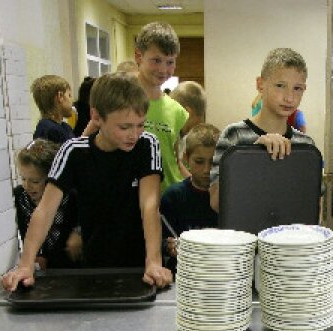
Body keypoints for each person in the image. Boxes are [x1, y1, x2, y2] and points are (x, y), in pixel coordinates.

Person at [1, 73, 172, 292]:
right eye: (125, 127)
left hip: (140, 263)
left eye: (140, 125)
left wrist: (154, 263)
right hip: (95, 263)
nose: (134, 134)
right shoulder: (74, 151)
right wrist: (25, 265)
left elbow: (149, 205)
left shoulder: (147, 145)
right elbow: (45, 210)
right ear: (97, 116)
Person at [209, 47, 315, 212]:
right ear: (260, 85)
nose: (289, 97)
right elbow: (216, 203)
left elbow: (314, 208)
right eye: (280, 85)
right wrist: (252, 155)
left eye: (297, 88)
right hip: (245, 235)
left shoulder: (306, 146)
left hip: (289, 236)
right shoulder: (234, 135)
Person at [133, 22, 188, 192]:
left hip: (167, 198)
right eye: (156, 60)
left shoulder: (178, 112)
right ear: (138, 57)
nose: (163, 69)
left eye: (170, 62)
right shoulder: (119, 101)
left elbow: (176, 162)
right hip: (129, 197)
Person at [13, 139, 81, 270]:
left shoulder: (71, 196)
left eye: (35, 181)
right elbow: (25, 230)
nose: (27, 186)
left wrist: (78, 232)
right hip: (43, 267)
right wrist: (36, 255)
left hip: (73, 266)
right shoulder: (20, 197)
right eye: (23, 179)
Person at [160, 123, 220, 271]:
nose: (207, 170)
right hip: (183, 274)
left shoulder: (231, 197)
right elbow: (158, 241)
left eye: (213, 162)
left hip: (221, 272)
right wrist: (168, 246)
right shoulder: (173, 197)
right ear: (186, 157)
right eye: (199, 162)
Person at [31, 74, 75, 144]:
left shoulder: (65, 127)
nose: (72, 100)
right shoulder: (50, 130)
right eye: (69, 95)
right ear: (60, 96)